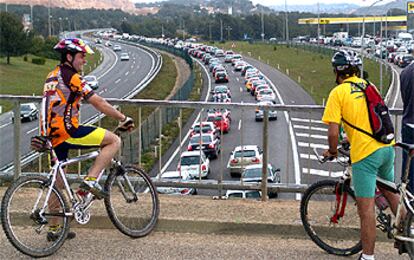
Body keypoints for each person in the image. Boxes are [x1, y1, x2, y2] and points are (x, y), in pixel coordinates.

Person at [40, 38, 134, 240]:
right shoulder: (72, 77)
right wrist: (123, 118)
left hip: (50, 135)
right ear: (69, 56)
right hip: (68, 132)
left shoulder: (52, 75)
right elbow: (98, 101)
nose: (84, 60)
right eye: (82, 56)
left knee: (57, 184)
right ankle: (90, 182)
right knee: (113, 141)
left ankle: (55, 230)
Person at [321, 50, 401, 260]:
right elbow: (369, 120)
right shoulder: (369, 86)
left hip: (366, 156)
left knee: (366, 211)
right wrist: (350, 138)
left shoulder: (338, 93)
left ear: (336, 72)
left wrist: (332, 150)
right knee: (390, 192)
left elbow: (332, 132)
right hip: (386, 148)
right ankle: (406, 231)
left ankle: (367, 257)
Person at [399, 62, 414, 192]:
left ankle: (408, 203)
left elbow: (405, 97)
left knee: (408, 170)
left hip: (408, 125)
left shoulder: (405, 72)